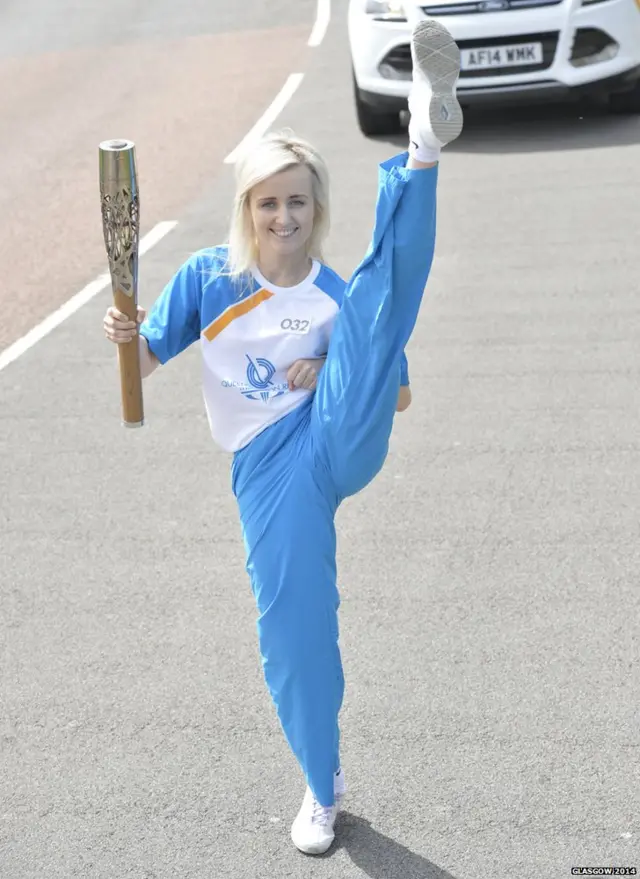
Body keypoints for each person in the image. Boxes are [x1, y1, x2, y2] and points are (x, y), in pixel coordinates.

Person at [103, 18, 463, 857]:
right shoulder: (207, 279)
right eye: (269, 202)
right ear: (248, 210)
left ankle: (421, 149)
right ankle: (321, 780)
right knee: (293, 629)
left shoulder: (341, 291)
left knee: (370, 316)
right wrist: (126, 335)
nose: (284, 215)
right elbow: (146, 358)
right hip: (266, 473)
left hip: (333, 437)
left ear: (318, 207)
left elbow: (393, 393)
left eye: (298, 200)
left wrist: (333, 353)